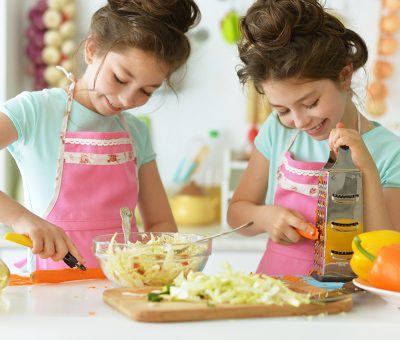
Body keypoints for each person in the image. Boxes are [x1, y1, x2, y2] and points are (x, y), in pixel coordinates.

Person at [0, 0, 201, 271]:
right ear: (92, 49)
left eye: (147, 91)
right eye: (120, 78)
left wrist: (155, 260)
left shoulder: (136, 131)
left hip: (120, 290)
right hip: (48, 288)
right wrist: (22, 219)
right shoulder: (36, 111)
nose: (127, 99)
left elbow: (161, 225)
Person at [227, 0, 400, 276]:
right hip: (275, 294)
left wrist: (365, 167)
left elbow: (388, 252)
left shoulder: (391, 153)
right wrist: (265, 217)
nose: (299, 121)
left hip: (350, 305)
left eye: (310, 103)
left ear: (344, 76)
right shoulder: (277, 130)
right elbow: (236, 212)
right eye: (282, 109)